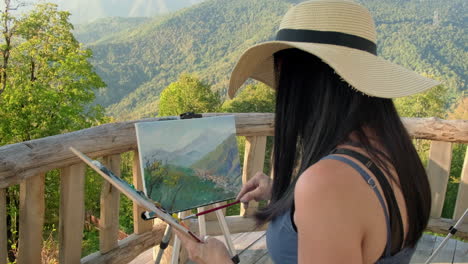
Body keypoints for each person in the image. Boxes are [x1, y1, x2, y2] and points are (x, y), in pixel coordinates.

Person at [174, 0, 440, 263]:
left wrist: (218, 261)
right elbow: (355, 215)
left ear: (301, 81)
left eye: (281, 75)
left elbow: (338, 201)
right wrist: (285, 194)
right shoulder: (391, 150)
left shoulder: (328, 184)